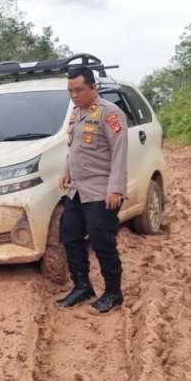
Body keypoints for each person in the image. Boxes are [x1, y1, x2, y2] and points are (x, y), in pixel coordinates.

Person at [56, 67, 128, 313]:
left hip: (101, 190)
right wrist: (67, 171)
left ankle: (113, 293)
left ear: (92, 88)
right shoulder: (76, 114)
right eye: (70, 91)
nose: (74, 95)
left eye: (78, 90)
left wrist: (116, 189)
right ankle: (82, 286)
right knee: (69, 235)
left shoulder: (110, 114)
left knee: (102, 240)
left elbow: (120, 152)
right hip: (77, 189)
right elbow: (73, 147)